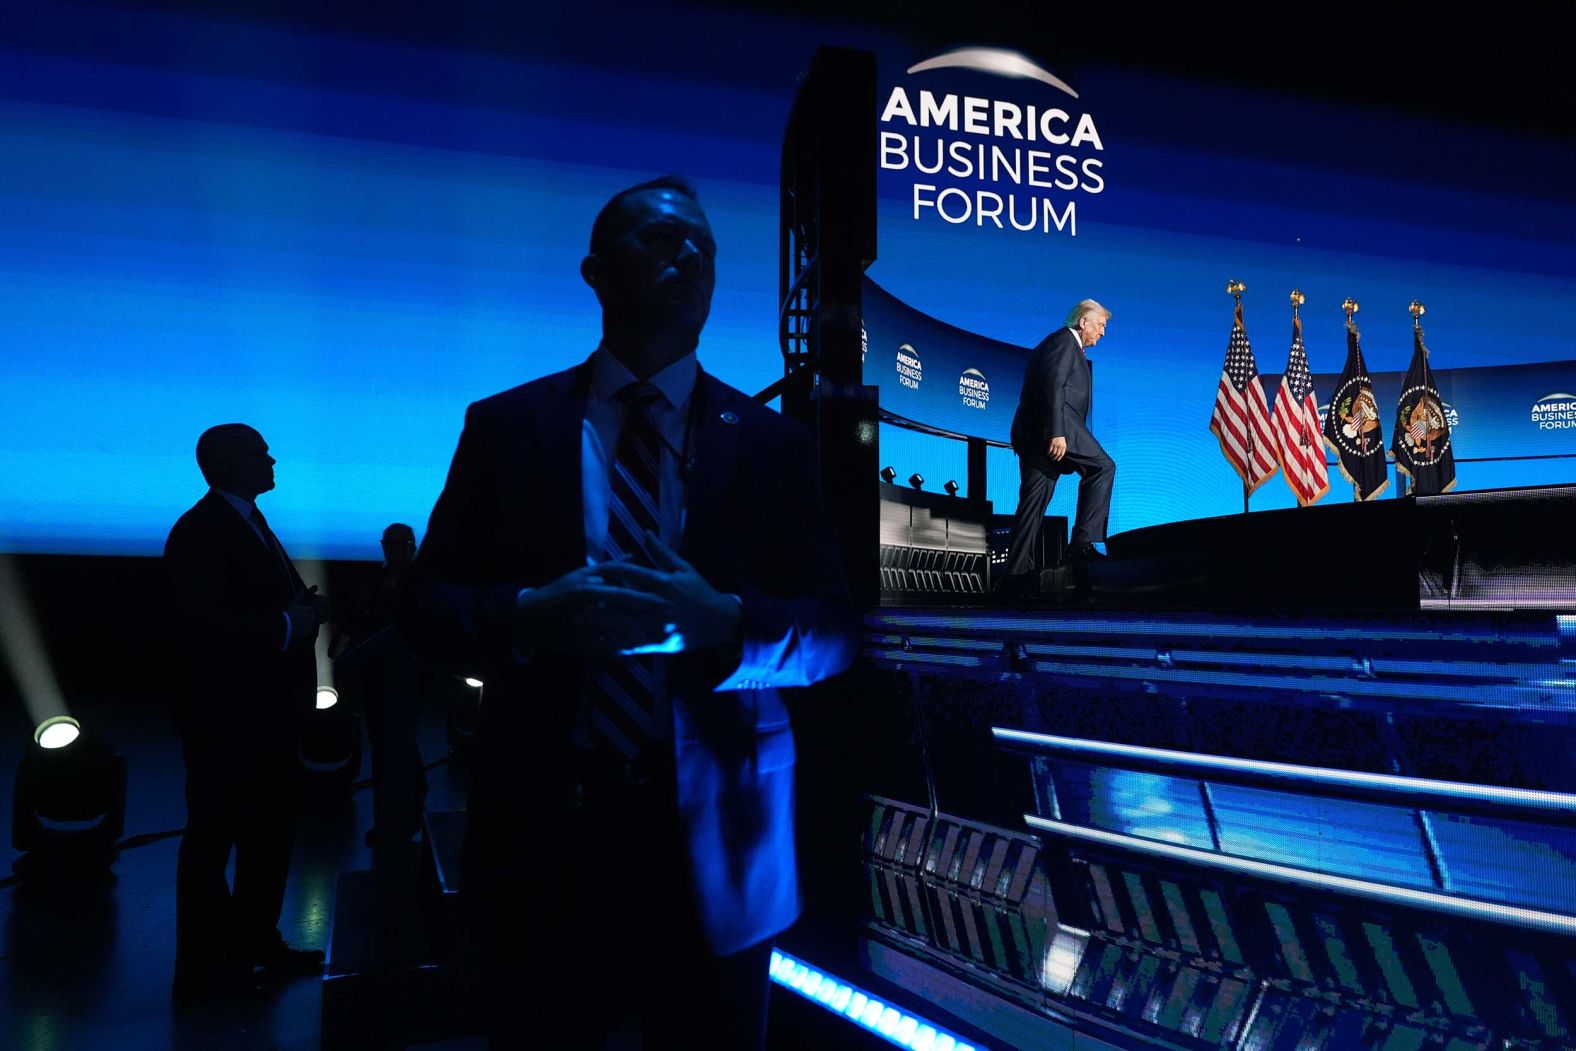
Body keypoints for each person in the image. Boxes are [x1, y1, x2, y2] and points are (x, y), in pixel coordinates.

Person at [401, 175, 858, 1049]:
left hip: (720, 847)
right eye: (659, 238)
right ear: (595, 271)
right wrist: (527, 613)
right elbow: (424, 607)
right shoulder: (506, 427)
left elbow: (835, 633)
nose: (689, 255)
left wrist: (727, 620)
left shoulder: (773, 445)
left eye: (704, 248)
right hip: (542, 833)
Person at [163, 423, 329, 1002]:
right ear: (230, 462)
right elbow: (202, 629)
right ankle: (206, 970)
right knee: (215, 843)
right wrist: (291, 624)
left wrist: (298, 612)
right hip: (228, 724)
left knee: (267, 838)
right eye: (261, 450)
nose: (272, 457)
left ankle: (253, 944)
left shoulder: (246, 522)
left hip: (267, 721)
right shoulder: (200, 532)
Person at [998, 300, 1115, 594]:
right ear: (1083, 322)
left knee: (1032, 505)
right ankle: (1081, 543)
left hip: (1037, 433)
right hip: (1055, 426)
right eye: (1100, 325)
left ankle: (1015, 576)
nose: (1102, 332)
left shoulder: (1066, 345)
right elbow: (1052, 386)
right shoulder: (1063, 342)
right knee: (1102, 467)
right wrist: (1057, 433)